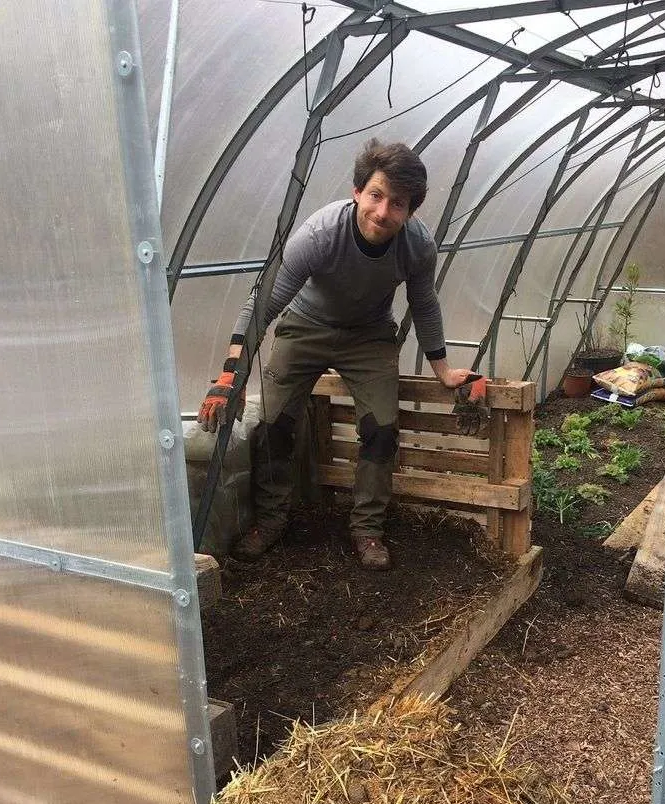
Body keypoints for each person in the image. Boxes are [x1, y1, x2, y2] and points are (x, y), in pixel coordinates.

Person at [198, 139, 476, 571]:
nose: (383, 213)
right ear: (357, 192)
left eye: (397, 204)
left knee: (381, 430)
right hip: (306, 326)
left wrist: (443, 369)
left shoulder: (418, 246)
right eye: (376, 196)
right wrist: (230, 373)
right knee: (273, 425)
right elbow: (265, 303)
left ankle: (367, 528)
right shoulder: (320, 234)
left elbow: (424, 303)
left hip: (369, 336)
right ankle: (271, 520)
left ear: (411, 211)